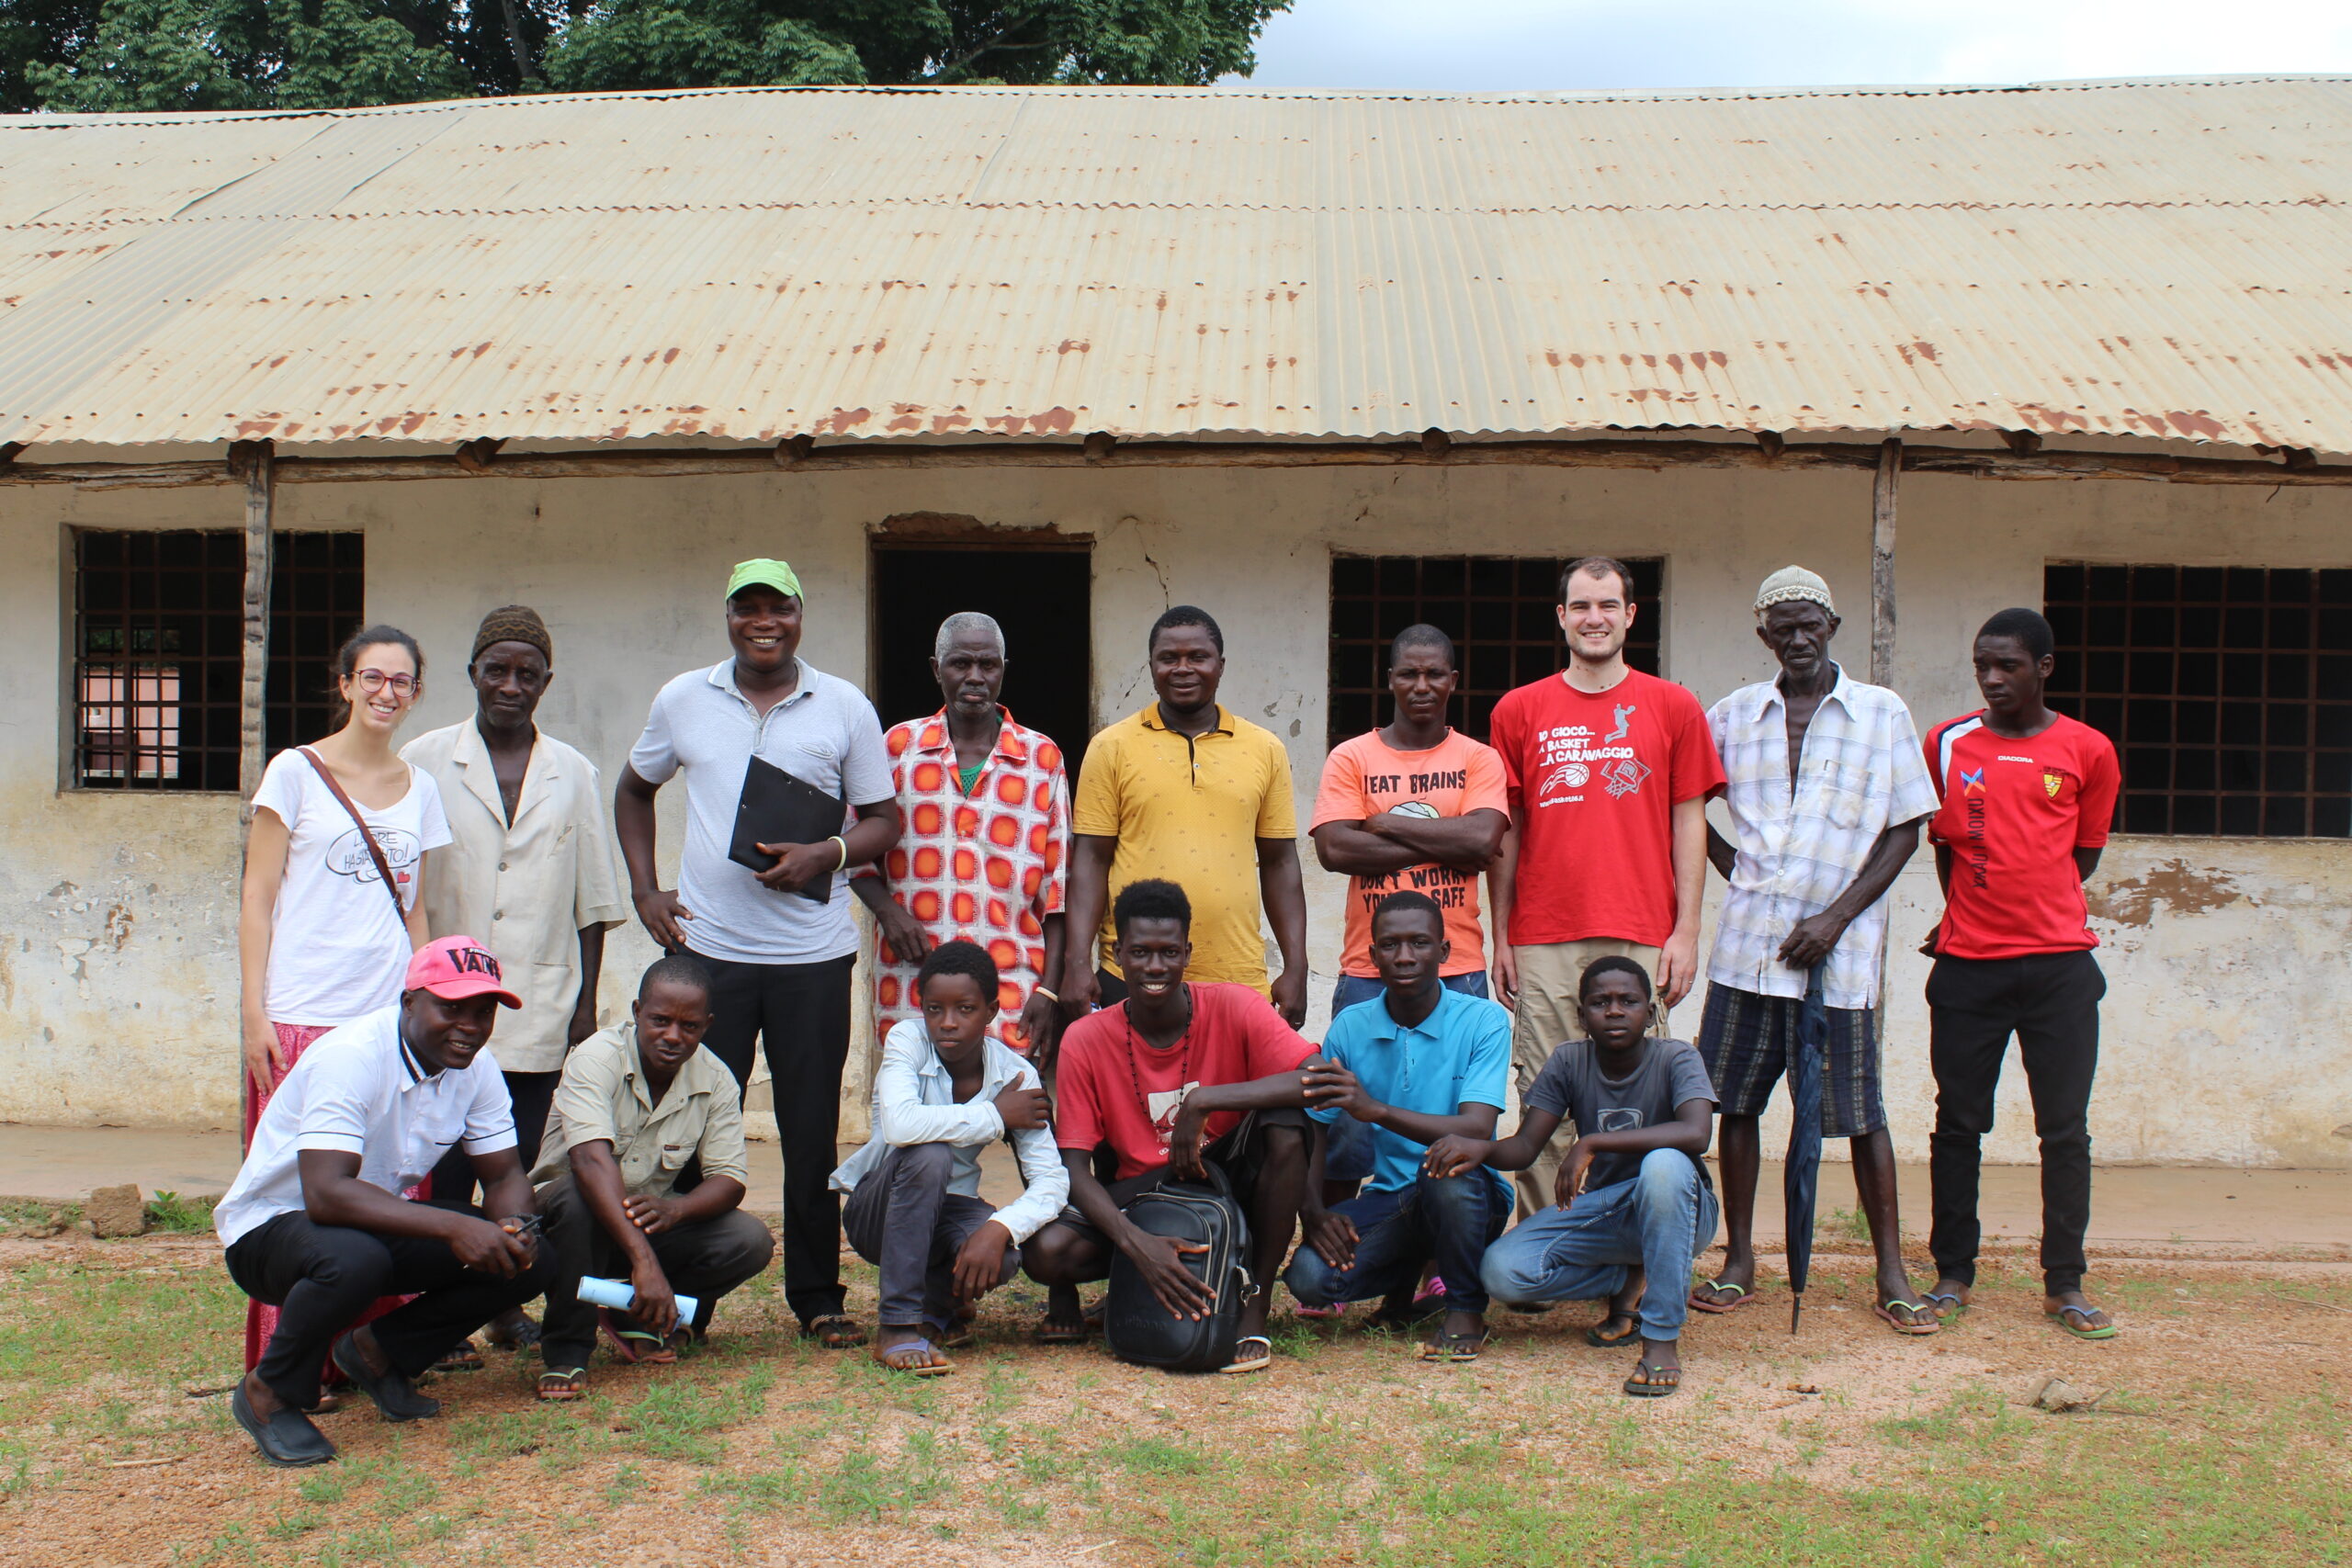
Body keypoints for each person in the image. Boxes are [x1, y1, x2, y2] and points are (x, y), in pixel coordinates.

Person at [614, 558, 902, 1351]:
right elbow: (634, 788)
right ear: (729, 616)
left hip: (813, 957)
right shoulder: (683, 698)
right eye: (748, 607)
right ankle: (682, 1305)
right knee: (689, 1131)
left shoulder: (843, 705)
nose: (763, 621)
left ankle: (818, 1297)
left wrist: (826, 853)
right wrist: (645, 889)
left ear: (801, 615)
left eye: (779, 607)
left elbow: (884, 820)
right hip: (710, 956)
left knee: (809, 1133)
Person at [1689, 568, 1943, 1333]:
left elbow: (1906, 827)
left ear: (1831, 625)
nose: (1798, 639)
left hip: (1841, 958)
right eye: (1784, 628)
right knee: (1735, 1104)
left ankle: (1891, 1271)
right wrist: (1736, 870)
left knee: (1860, 1114)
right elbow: (1682, 801)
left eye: (1810, 625)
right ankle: (1740, 1258)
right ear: (1763, 635)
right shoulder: (1734, 714)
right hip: (1747, 953)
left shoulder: (1880, 712)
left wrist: (1835, 917)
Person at [214, 937, 552, 1467]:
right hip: (270, 1230)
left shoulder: (476, 1066)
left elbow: (505, 1171)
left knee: (530, 1257)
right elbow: (326, 1193)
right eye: (452, 1008)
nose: (469, 1026)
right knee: (356, 1259)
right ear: (409, 1002)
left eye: (483, 1012)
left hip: (365, 1223)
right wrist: (453, 1227)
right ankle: (269, 1392)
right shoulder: (351, 1056)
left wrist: (514, 1225)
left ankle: (380, 1354)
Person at [405, 605, 628, 1356]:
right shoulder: (424, 760)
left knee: (518, 1165)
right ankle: (437, 1319)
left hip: (537, 1004)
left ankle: (501, 1306)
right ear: (472, 672)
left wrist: (585, 1008)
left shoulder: (574, 772)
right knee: (439, 1170)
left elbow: (594, 899)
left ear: (546, 682)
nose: (510, 684)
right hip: (444, 1006)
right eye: (496, 669)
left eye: (526, 673)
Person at [236, 623, 450, 1377]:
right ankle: (294, 1363)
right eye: (373, 677)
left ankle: (369, 1354)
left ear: (416, 692)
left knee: (384, 1187)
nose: (387, 692)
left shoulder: (421, 788)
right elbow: (258, 897)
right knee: (300, 1198)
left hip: (386, 1021)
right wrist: (254, 1011)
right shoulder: (295, 772)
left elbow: (416, 909)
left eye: (402, 681)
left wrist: (424, 1002)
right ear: (346, 684)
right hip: (302, 1014)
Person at [1487, 558, 1724, 1216]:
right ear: (1562, 617)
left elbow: (1690, 821)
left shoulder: (1672, 705)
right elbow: (1507, 831)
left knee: (1640, 1102)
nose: (1596, 618)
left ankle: (1628, 1246)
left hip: (1641, 931)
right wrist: (1501, 934)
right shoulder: (1518, 709)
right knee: (1545, 1096)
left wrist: (1686, 929)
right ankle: (1544, 1246)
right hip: (1543, 935)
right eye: (1582, 606)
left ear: (1630, 615)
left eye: (1609, 605)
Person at [1919, 608, 2121, 1340]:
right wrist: (1969, 913)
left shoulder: (2089, 749)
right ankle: (1952, 1271)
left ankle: (2064, 1282)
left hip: (2060, 969)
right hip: (1969, 968)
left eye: (2008, 665)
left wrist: (2034, 909)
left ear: (2044, 667)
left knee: (2064, 1130)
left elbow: (2083, 854)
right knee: (1958, 1123)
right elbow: (1946, 843)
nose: (1993, 678)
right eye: (1983, 665)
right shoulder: (1946, 743)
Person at [1023, 879, 1320, 1371]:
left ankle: (1254, 1301)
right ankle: (1141, 1275)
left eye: (1169, 952)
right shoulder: (1085, 1038)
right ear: (1117, 955)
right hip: (1146, 1194)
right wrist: (1135, 1243)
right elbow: (1072, 1167)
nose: (1155, 967)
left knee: (1285, 1122)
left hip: (1228, 1178)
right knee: (1047, 1252)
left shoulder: (1234, 1004)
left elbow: (1321, 1079)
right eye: (1140, 953)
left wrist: (1206, 1101)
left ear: (1188, 953)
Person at [1428, 958, 1717, 1397]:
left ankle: (1660, 1337)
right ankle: (1627, 1277)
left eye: (1628, 1001)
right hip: (1609, 1211)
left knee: (1663, 1164)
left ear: (1650, 1013)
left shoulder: (1677, 1057)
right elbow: (1525, 1147)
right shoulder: (1569, 1060)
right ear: (1582, 1016)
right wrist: (1482, 1148)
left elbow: (1696, 1133)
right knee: (1503, 1273)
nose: (1614, 1011)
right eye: (1600, 1003)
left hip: (1682, 1208)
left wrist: (1592, 1142)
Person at [532, 953, 775, 1401]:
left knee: (748, 1239)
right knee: (578, 1198)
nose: (673, 1036)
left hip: (642, 1221)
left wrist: (676, 1210)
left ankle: (636, 1312)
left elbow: (729, 1178)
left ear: (707, 1025)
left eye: (690, 1026)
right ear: (637, 1012)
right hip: (564, 1224)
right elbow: (588, 1161)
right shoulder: (596, 1058)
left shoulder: (717, 1078)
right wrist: (644, 1262)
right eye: (660, 1020)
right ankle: (567, 1348)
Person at [1285, 893, 1513, 1362]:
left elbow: (1475, 1128)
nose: (1404, 956)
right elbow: (1315, 1128)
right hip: (1392, 1197)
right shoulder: (1350, 1026)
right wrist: (1314, 1212)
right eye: (1390, 945)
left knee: (1444, 1169)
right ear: (1373, 956)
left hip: (1469, 1192)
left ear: (1444, 952)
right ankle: (1406, 1282)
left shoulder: (1483, 1019)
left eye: (1419, 943)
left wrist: (1377, 1110)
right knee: (1309, 1278)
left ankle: (1465, 1309)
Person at [1058, 606, 1309, 1029]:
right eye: (1168, 658)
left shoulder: (1265, 749)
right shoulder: (1111, 747)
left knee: (1234, 1076)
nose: (1183, 668)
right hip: (1133, 974)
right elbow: (1090, 860)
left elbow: (1280, 863)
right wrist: (1077, 962)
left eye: (1198, 657)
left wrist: (1297, 967)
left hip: (1237, 975)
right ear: (1151, 666)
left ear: (1220, 665)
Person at [831, 941, 1071, 1376]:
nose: (947, 1022)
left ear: (991, 1011)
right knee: (930, 1155)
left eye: (965, 1009)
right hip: (880, 1210)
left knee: (1003, 1253)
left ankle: (937, 1310)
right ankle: (898, 1326)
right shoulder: (907, 1040)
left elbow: (1052, 1181)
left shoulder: (1015, 1075)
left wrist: (1000, 1228)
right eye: (934, 1009)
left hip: (949, 1208)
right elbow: (902, 1127)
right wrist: (996, 1115)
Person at [852, 612, 1071, 1063]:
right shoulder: (897, 747)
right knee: (911, 1099)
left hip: (1011, 981)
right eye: (960, 664)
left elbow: (1057, 891)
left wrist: (1048, 990)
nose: (975, 677)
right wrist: (889, 913)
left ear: (1003, 669)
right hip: (911, 979)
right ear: (937, 669)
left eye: (987, 665)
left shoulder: (1042, 757)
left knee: (1010, 1099)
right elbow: (856, 853)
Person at [1310, 624, 1510, 1013]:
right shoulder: (1351, 757)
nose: (1421, 686)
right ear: (1390, 679)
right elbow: (1334, 850)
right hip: (1370, 966)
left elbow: (1482, 840)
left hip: (1456, 965)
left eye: (1434, 674)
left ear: (1453, 681)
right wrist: (1453, 848)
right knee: (1361, 1059)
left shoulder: (1479, 758)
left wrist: (1384, 823)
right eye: (1408, 674)